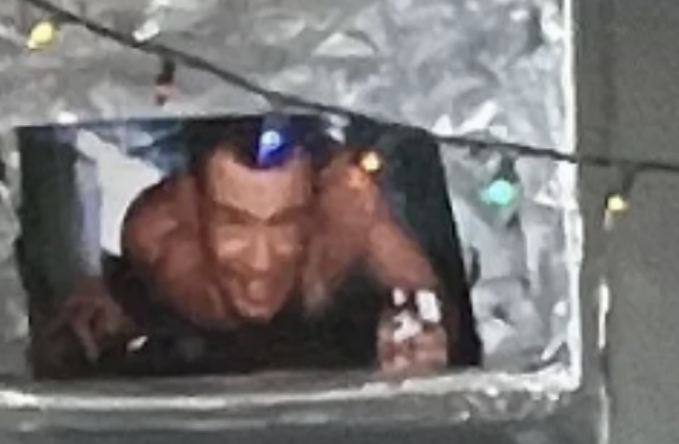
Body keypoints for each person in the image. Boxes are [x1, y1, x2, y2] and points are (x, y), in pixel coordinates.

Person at [45, 118, 456, 377]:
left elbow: (433, 304)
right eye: (234, 224)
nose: (261, 263)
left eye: (285, 223)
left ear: (315, 204)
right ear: (192, 209)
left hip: (329, 342)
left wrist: (425, 339)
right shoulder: (155, 235)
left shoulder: (352, 212)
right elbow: (103, 311)